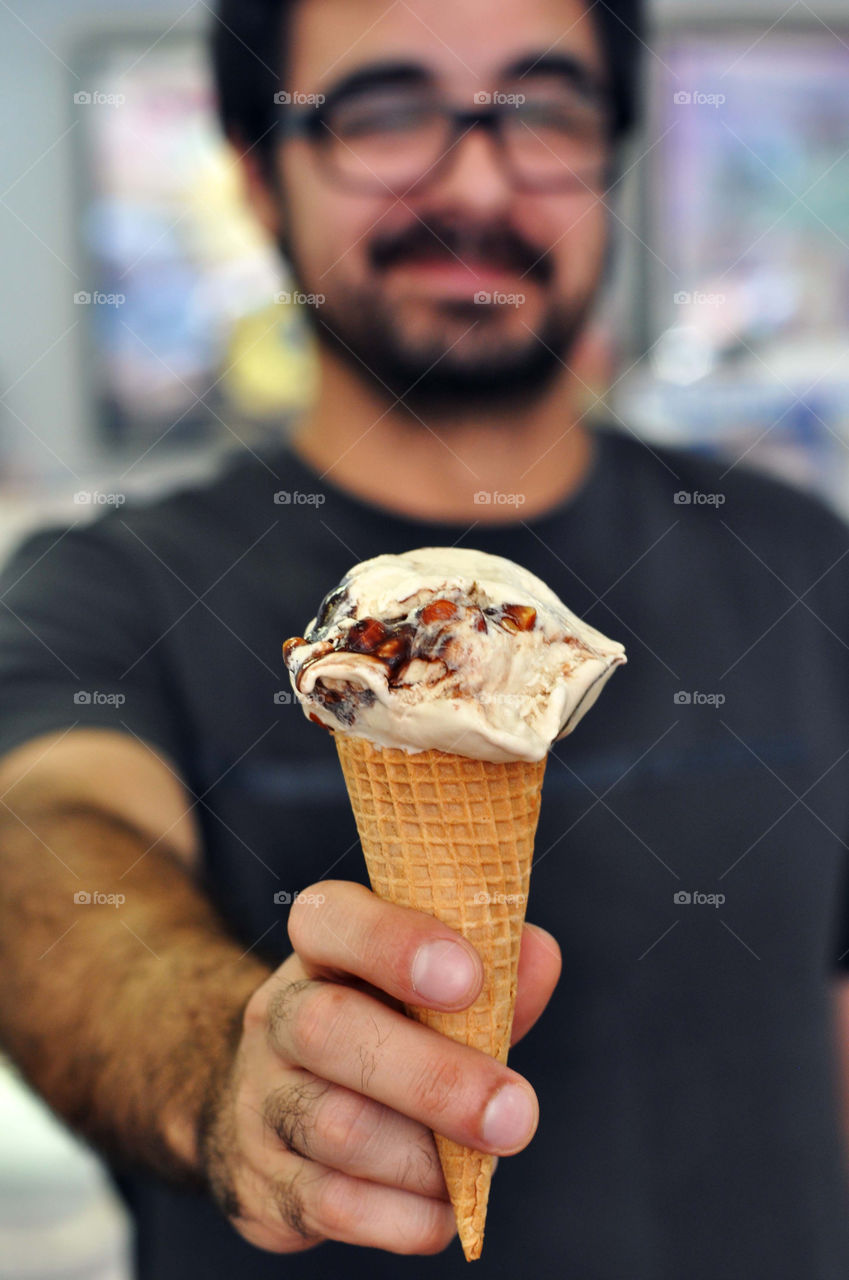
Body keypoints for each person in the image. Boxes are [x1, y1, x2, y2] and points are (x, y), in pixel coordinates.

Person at [2, 1, 849, 1276]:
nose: (476, 178)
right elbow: (49, 863)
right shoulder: (111, 585)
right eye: (388, 111)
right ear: (254, 169)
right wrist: (221, 1063)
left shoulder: (803, 558)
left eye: (544, 109)